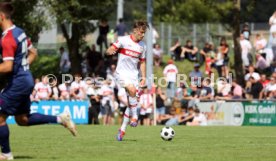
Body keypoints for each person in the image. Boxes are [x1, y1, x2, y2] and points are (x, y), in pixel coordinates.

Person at [0, 3, 77, 160]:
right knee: (22, 119)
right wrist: (22, 67)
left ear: (1, 16)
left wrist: (17, 70)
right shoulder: (19, 32)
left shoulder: (7, 38)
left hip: (18, 81)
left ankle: (6, 154)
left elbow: (7, 66)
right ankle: (60, 118)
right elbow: (34, 52)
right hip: (26, 78)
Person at [106, 20, 148, 141]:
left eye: (144, 33)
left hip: (134, 76)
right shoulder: (123, 40)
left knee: (131, 103)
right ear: (135, 30)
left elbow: (143, 62)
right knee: (131, 90)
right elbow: (110, 49)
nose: (143, 35)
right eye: (141, 32)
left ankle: (122, 130)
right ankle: (135, 117)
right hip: (121, 74)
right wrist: (109, 51)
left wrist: (143, 77)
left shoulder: (143, 46)